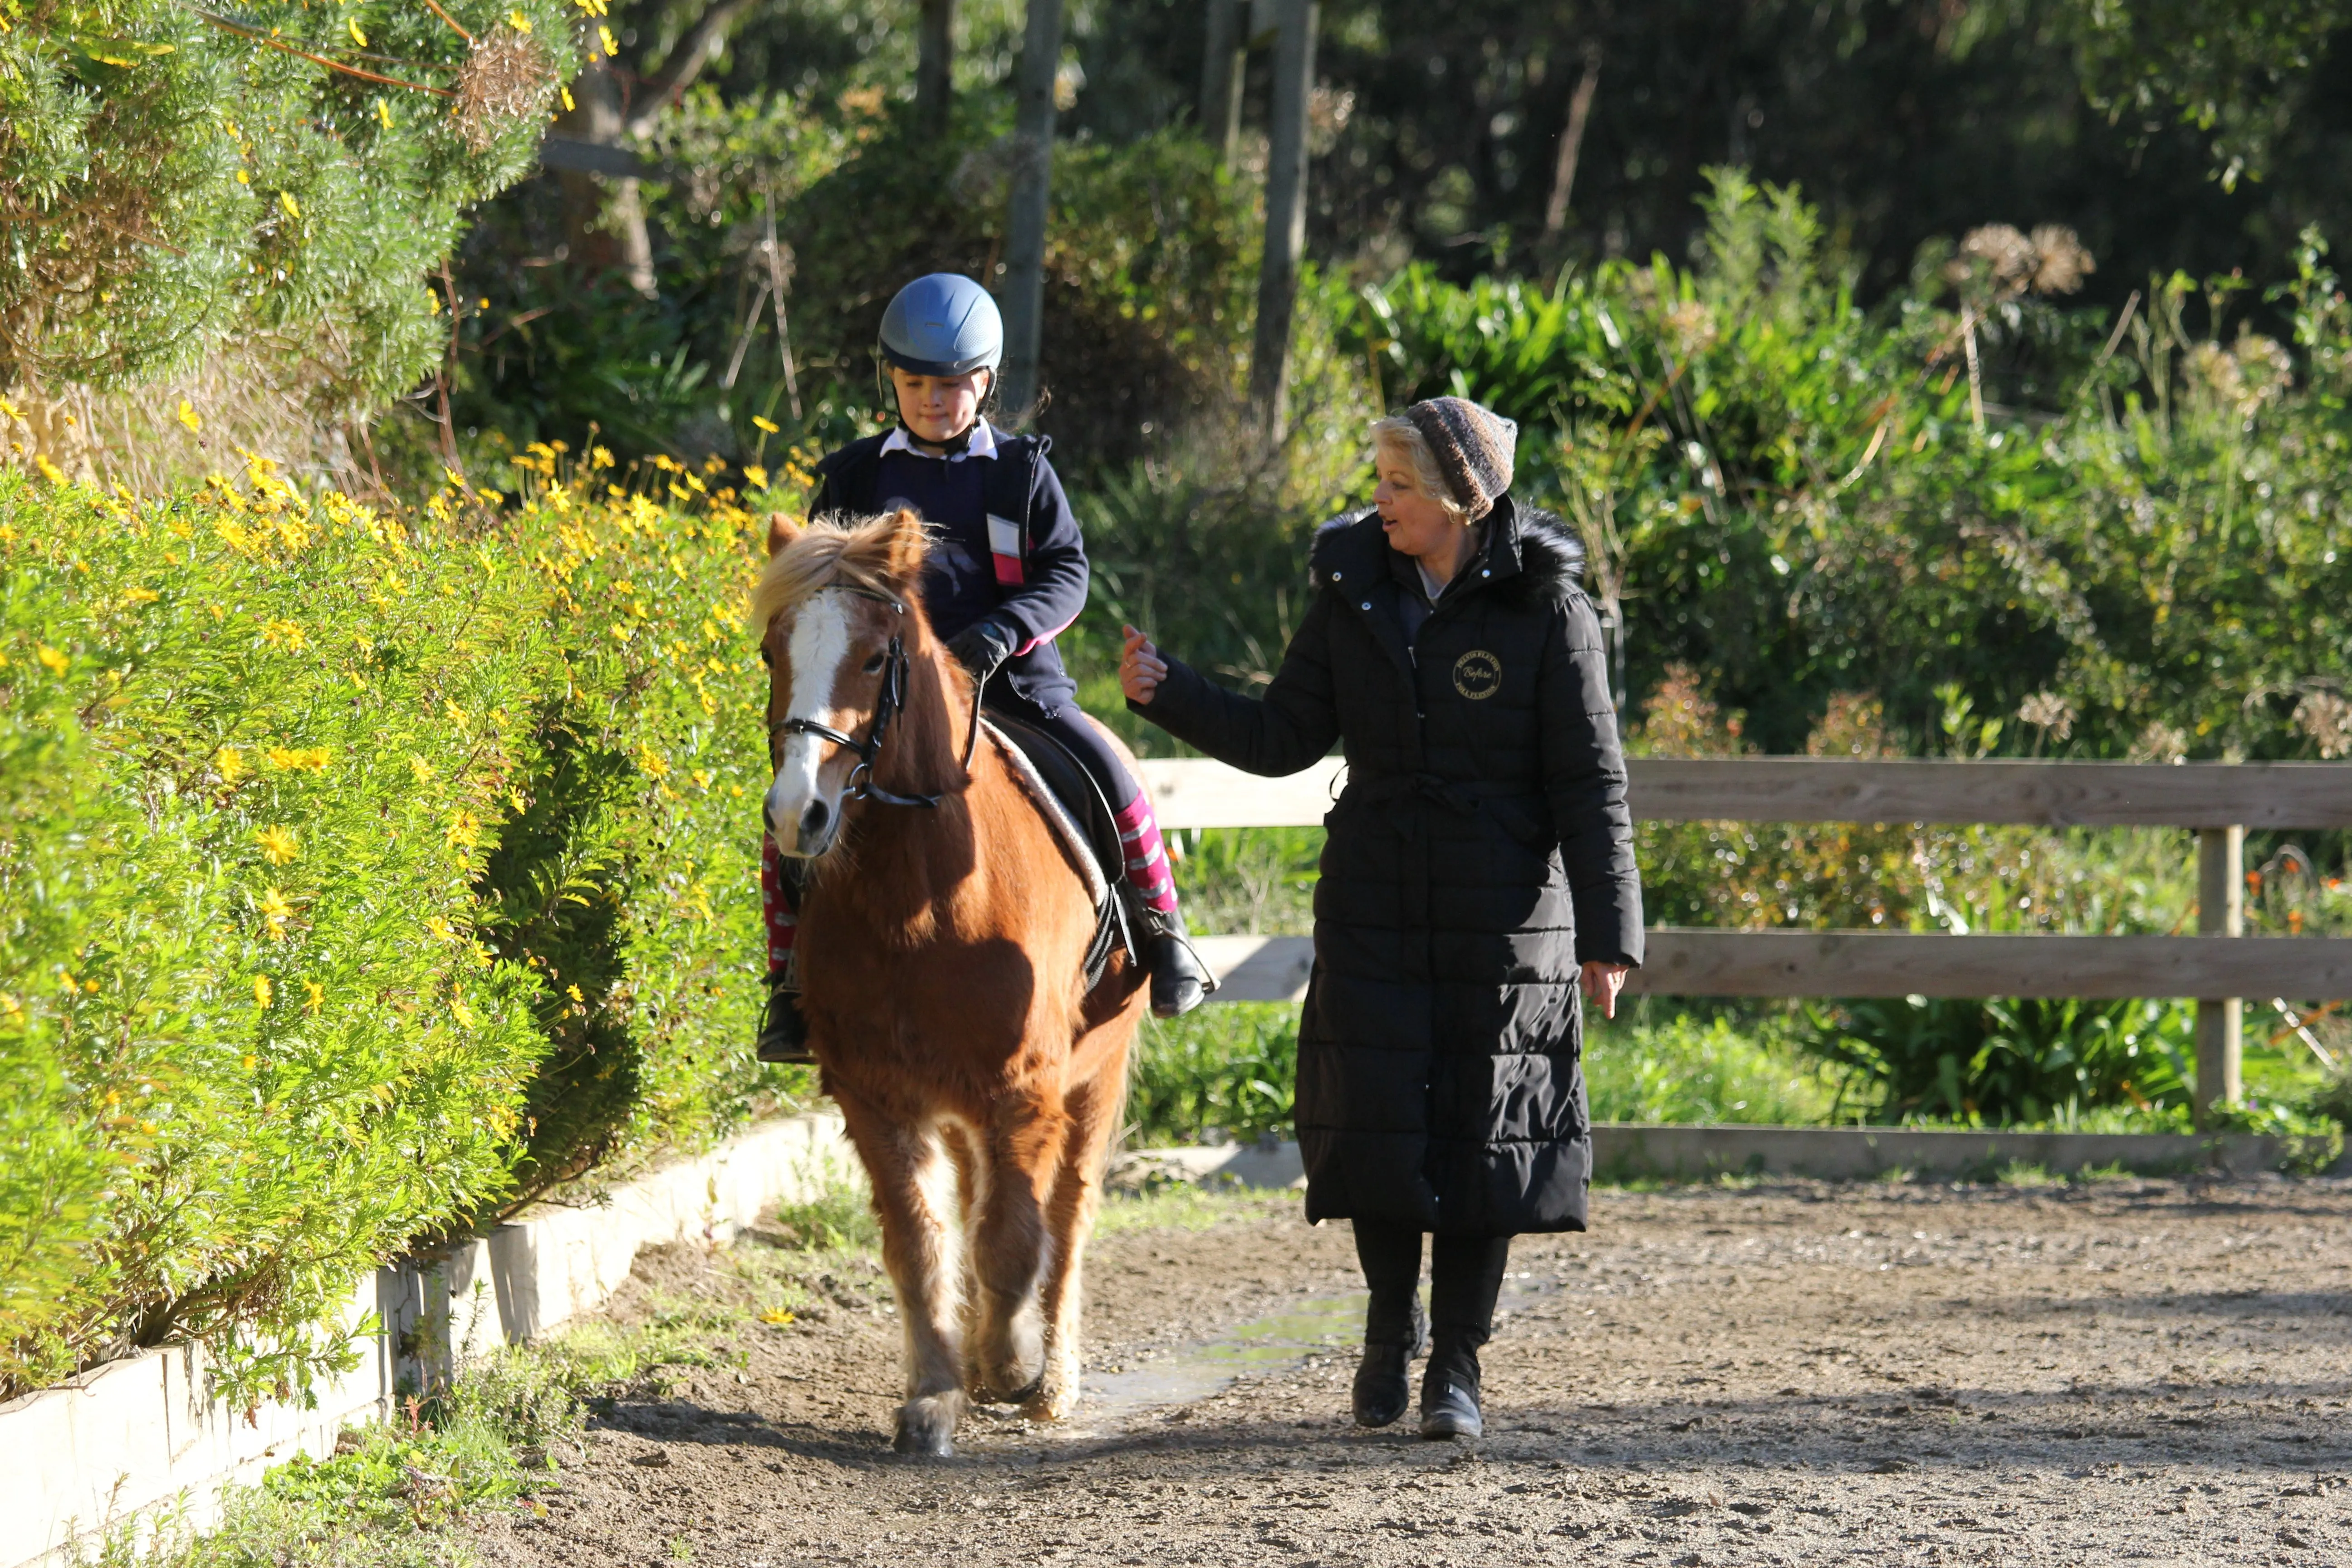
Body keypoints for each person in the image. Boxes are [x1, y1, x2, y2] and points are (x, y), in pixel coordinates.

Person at [1118, 397, 1642, 1439]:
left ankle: (1457, 1367)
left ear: (1463, 497)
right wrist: (1170, 692)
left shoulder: (1549, 612)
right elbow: (1285, 733)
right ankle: (1385, 1326)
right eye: (1381, 481)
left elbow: (1591, 781)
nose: (1379, 500)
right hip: (1376, 904)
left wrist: (1609, 938)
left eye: (1399, 485)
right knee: (1380, 1125)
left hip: (1508, 917)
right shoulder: (1353, 586)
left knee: (1487, 1141)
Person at [756, 273, 1212, 1061]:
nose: (937, 399)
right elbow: (826, 584)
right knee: (792, 812)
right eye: (918, 383)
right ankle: (790, 983)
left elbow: (1067, 572)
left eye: (956, 384)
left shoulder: (1021, 471)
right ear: (892, 382)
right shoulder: (854, 476)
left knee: (1111, 771)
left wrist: (1004, 633)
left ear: (986, 382)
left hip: (1016, 686)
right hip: (887, 697)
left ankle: (1161, 934)